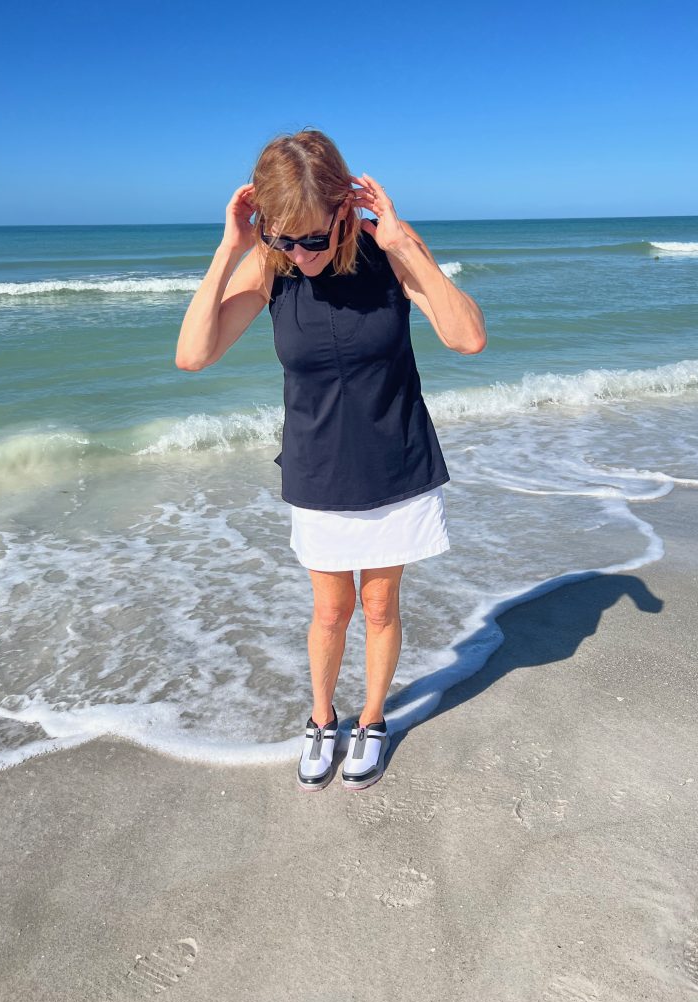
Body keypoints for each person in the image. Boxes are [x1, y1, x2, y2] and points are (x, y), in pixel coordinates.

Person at [176, 128, 486, 793]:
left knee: (379, 605)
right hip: (317, 466)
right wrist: (231, 248)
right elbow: (193, 355)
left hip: (395, 460)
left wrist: (404, 243)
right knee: (328, 612)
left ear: (346, 207)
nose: (301, 253)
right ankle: (322, 719)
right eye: (285, 237)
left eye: (312, 238)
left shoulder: (387, 253)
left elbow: (468, 338)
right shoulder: (271, 265)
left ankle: (372, 719)